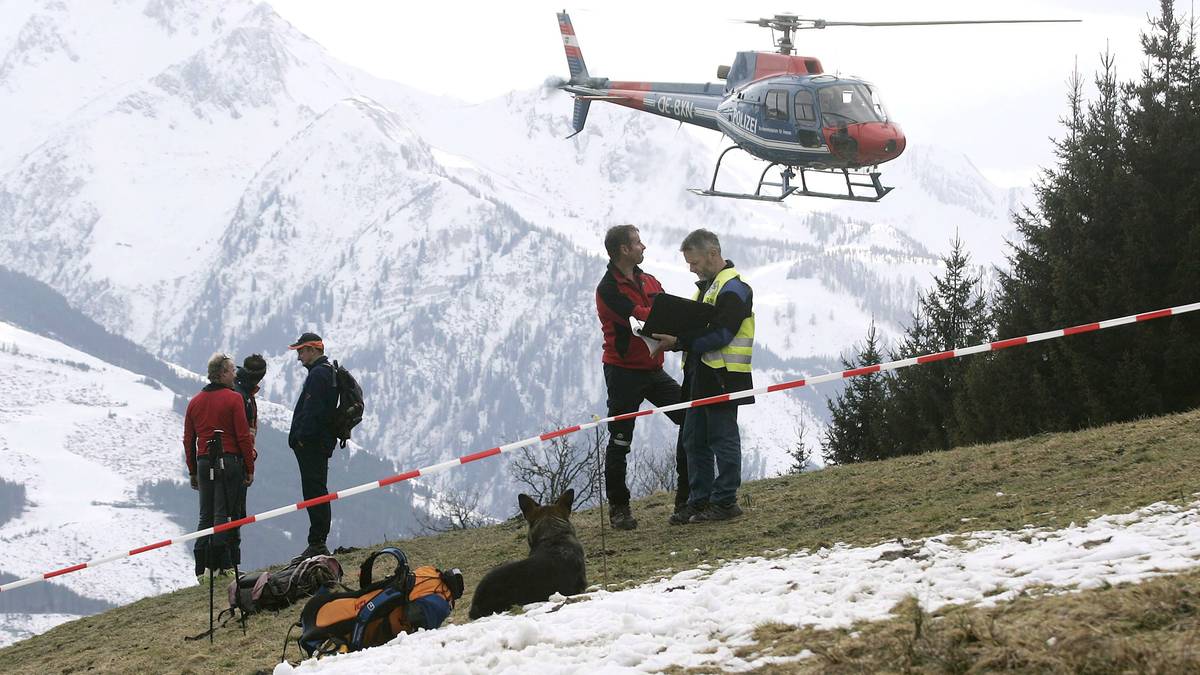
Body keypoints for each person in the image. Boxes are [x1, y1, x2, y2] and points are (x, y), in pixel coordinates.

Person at [652, 229, 754, 523]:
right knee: (693, 439)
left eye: (694, 262)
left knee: (722, 438)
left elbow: (722, 333)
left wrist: (680, 341)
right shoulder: (706, 288)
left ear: (712, 254)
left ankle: (725, 501)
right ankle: (700, 501)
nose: (691, 268)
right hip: (699, 374)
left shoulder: (734, 288)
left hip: (723, 374)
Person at [595, 224, 690, 530]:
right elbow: (638, 315)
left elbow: (667, 308)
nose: (643, 247)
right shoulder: (607, 289)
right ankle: (619, 509)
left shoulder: (650, 280)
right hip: (622, 373)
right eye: (637, 243)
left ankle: (686, 498)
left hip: (653, 369)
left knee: (690, 419)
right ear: (624, 249)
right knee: (620, 440)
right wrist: (667, 316)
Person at [183, 353, 256, 582]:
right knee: (223, 513)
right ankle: (220, 565)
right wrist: (249, 465)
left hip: (204, 461)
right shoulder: (233, 399)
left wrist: (193, 469)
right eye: (232, 371)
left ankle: (201, 568)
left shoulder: (195, 402)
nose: (235, 375)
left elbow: (188, 439)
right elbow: (243, 436)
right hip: (229, 460)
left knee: (205, 514)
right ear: (223, 373)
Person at [288, 332, 337, 558]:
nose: (299, 357)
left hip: (313, 445)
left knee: (315, 491)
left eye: (301, 351)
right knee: (316, 489)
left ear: (313, 349)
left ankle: (317, 541)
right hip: (319, 443)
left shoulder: (318, 375)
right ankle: (317, 540)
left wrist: (301, 437)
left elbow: (313, 411)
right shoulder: (325, 372)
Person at [229, 353, 267, 569]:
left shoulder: (238, 389)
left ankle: (224, 564)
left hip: (231, 457)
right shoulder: (242, 396)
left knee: (222, 513)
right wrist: (249, 462)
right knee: (234, 513)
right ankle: (231, 564)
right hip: (238, 460)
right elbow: (245, 434)